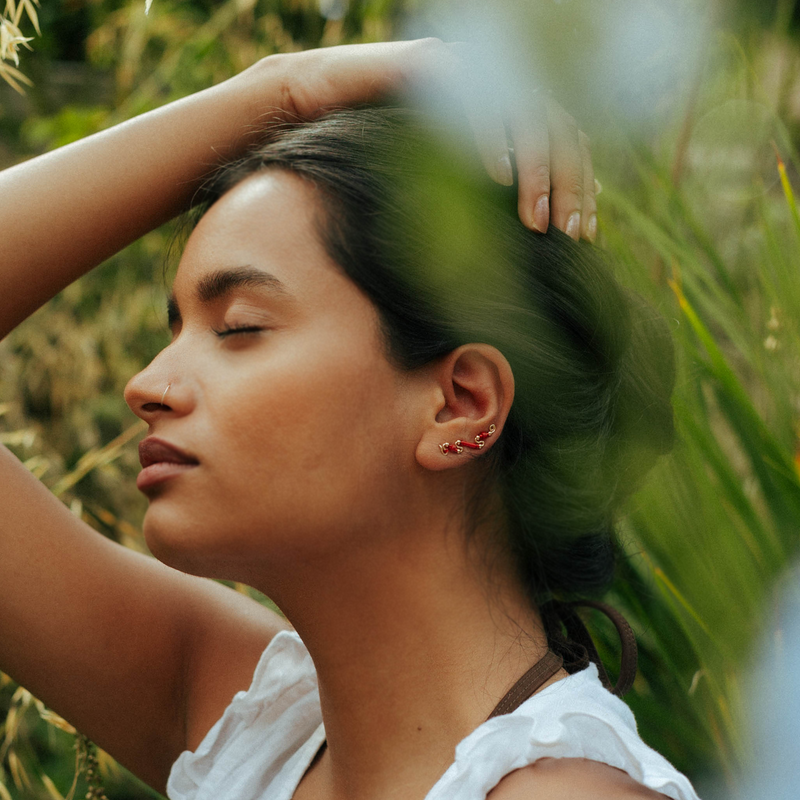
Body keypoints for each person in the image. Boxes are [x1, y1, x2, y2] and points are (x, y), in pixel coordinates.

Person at [0, 39, 699, 800]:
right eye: (175, 332)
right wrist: (282, 89)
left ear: (458, 403)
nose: (147, 385)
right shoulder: (256, 730)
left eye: (238, 327)